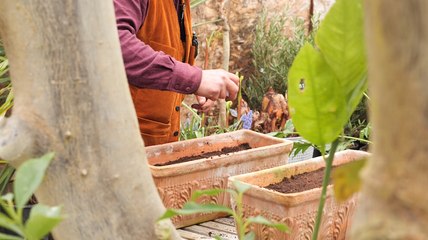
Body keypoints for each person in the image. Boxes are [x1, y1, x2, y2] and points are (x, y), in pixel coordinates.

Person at [113, 0, 240, 146]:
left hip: (153, 150)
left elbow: (162, 44)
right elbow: (114, 43)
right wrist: (194, 79)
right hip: (119, 148)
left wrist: (197, 77)